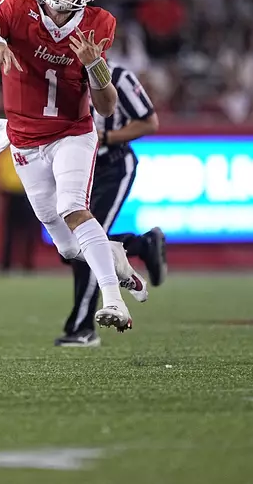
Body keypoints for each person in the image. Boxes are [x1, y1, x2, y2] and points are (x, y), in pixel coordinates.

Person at [0, 0, 135, 332]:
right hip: (24, 139)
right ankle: (114, 254)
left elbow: (107, 108)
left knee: (73, 206)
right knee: (67, 246)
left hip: (71, 132)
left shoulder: (99, 24)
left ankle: (114, 302)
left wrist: (96, 66)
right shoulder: (16, 8)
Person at [56, 62, 168, 347]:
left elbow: (148, 121)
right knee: (71, 248)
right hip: (76, 166)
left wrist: (104, 137)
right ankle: (142, 245)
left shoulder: (117, 75)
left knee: (87, 245)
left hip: (111, 165)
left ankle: (82, 328)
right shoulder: (55, 69)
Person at [0, 150, 36, 272]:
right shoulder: (5, 155)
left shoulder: (27, 152)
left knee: (28, 231)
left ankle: (27, 263)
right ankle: (7, 263)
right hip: (11, 194)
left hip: (26, 193)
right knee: (10, 232)